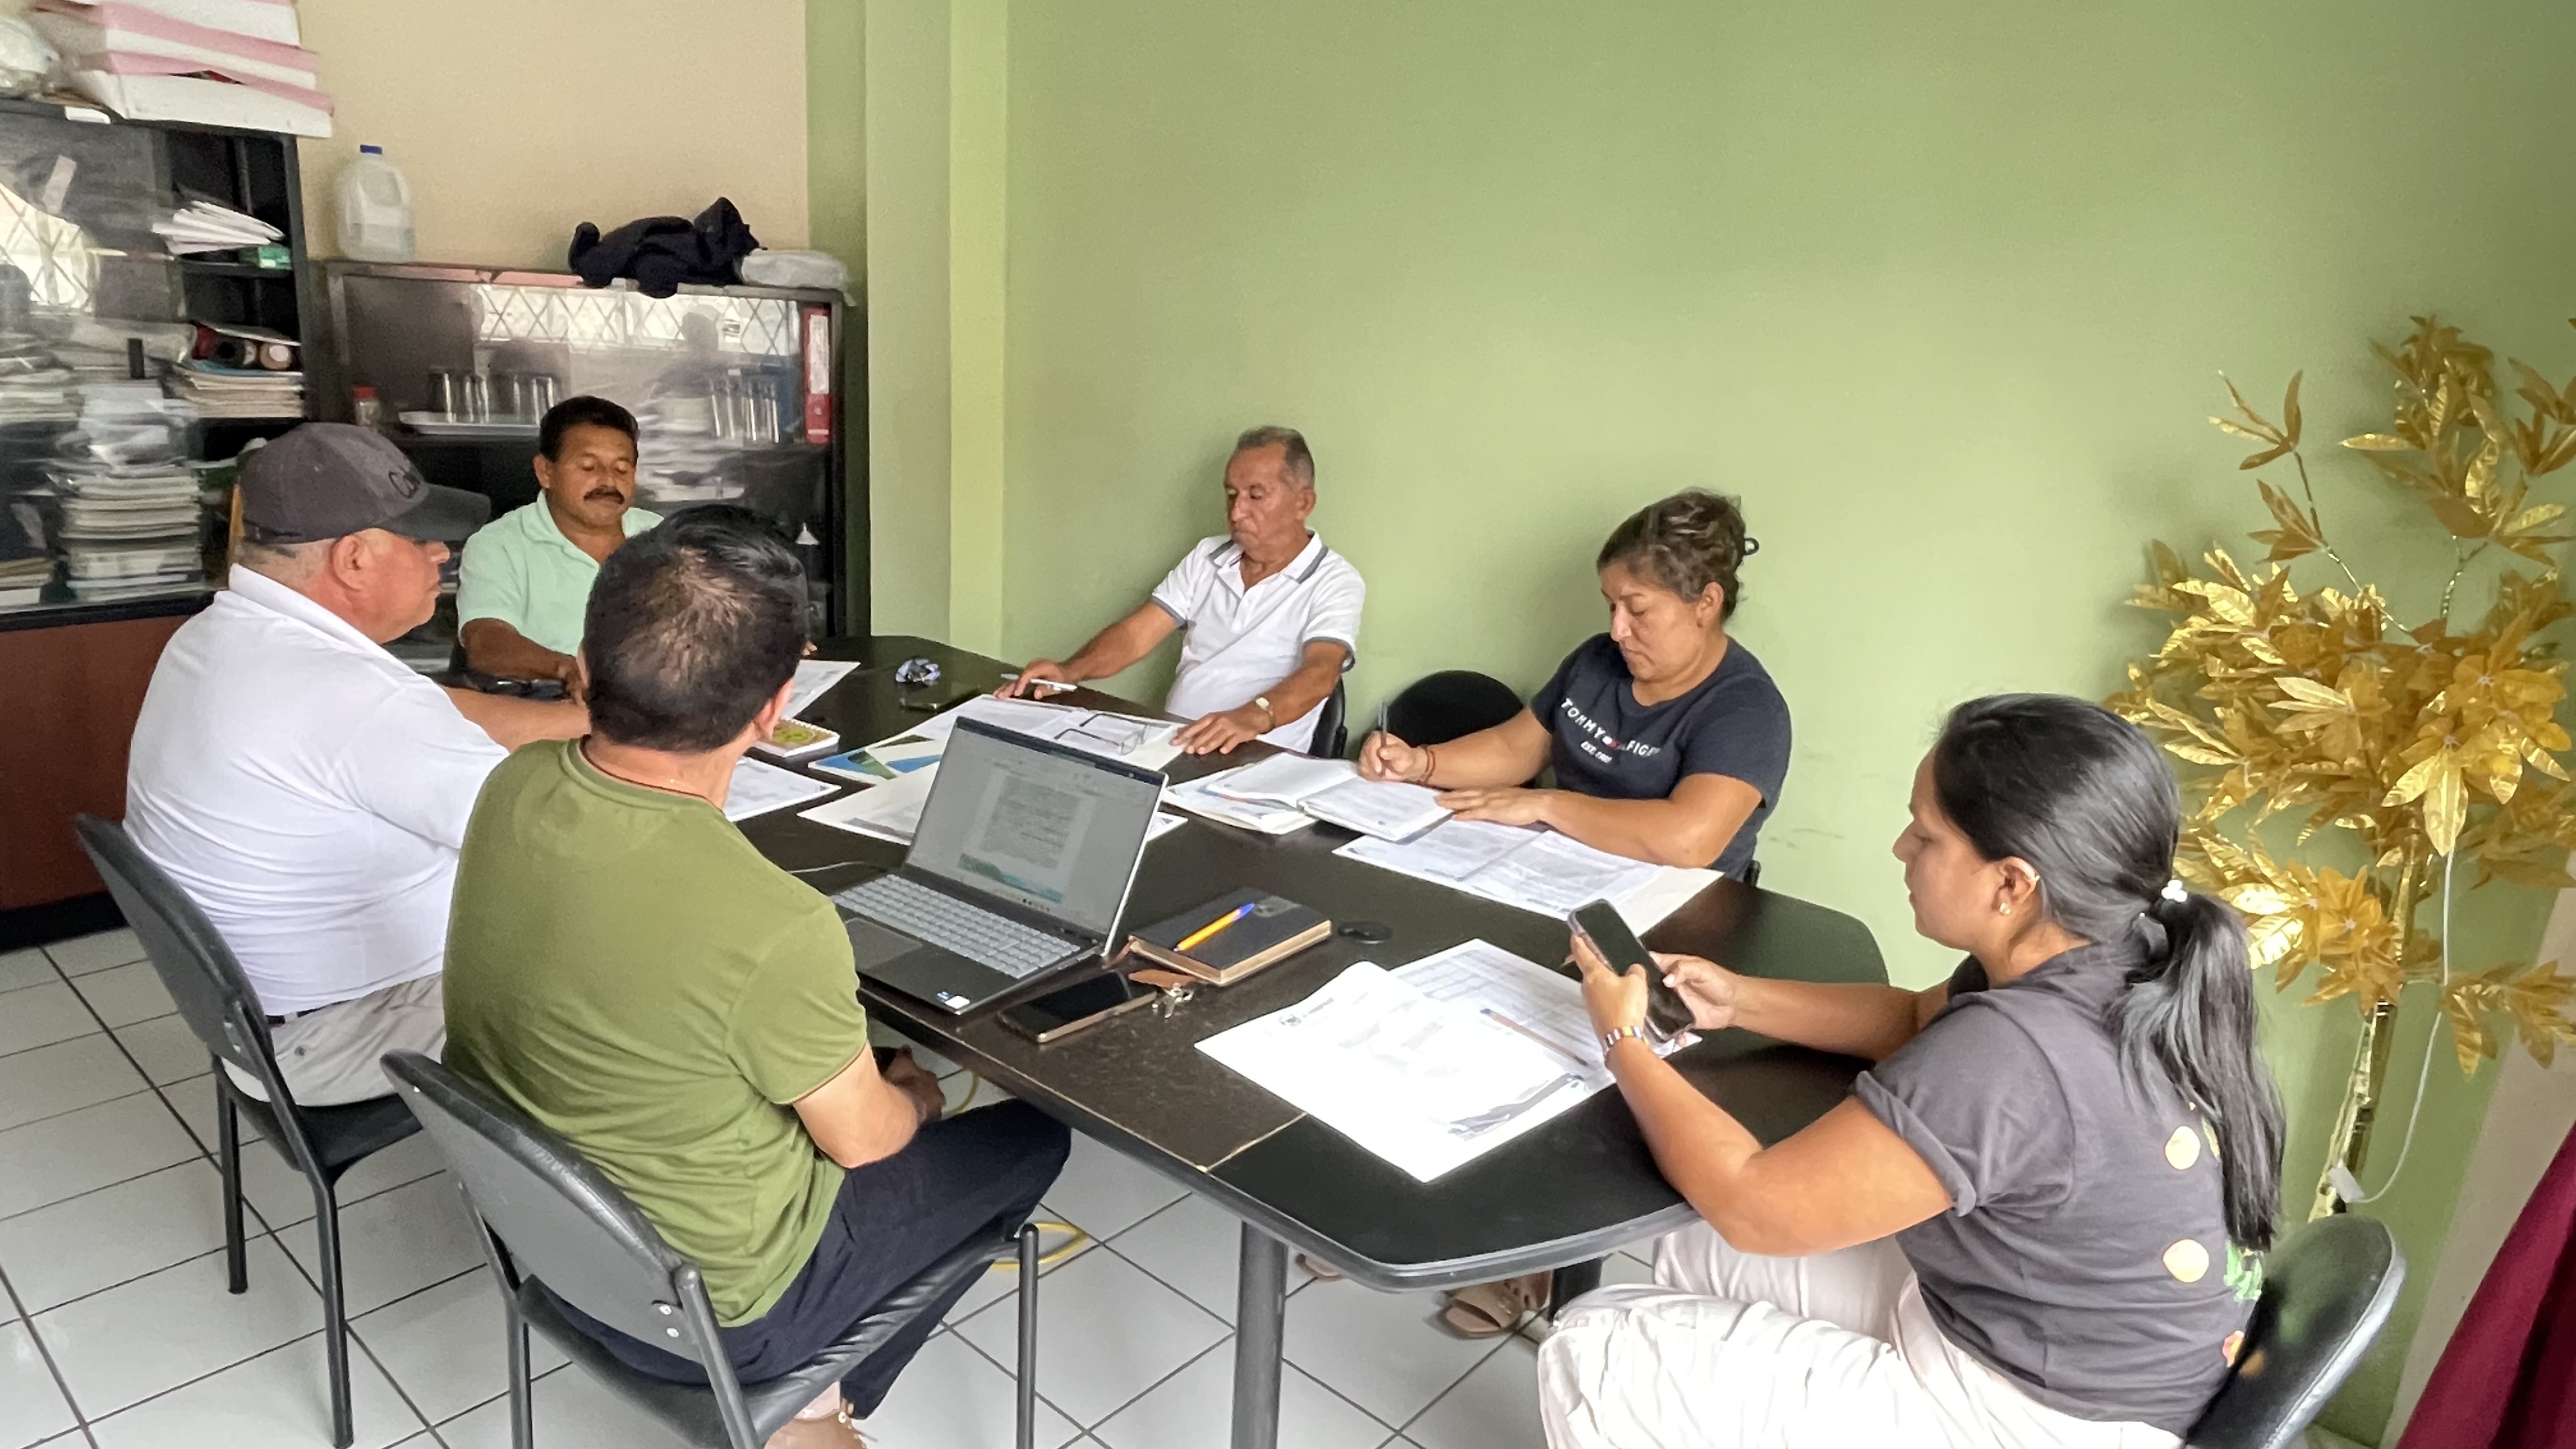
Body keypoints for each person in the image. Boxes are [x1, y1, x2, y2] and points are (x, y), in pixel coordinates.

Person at [442, 505, 1070, 1449]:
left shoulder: (515, 782)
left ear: (584, 664)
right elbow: (865, 1142)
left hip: (552, 1243)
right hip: (721, 1314)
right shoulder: (774, 923)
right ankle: (817, 1404)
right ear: (776, 709)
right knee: (1033, 1137)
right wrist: (919, 1099)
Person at [1540, 694, 2287, 1448]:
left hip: (2045, 1416)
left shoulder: (2016, 1054)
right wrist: (1738, 1000)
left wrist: (1624, 1040)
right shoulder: (2122, 950)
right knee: (1690, 1242)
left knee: (1595, 1346)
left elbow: (1753, 1204)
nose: (1901, 847)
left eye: (1926, 835)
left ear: (2012, 884)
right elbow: (1910, 1022)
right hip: (2052, 1334)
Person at [126, 424, 584, 1106]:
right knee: (632, 963)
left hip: (257, 1015)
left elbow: (431, 709)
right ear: (354, 559)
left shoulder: (219, 636)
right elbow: (555, 838)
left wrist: (590, 720)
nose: (441, 556)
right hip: (343, 1030)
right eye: (422, 540)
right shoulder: (354, 701)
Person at [1363, 488, 1788, 875]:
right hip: (1557, 874)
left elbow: (1688, 841)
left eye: (1638, 610)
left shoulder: (1747, 709)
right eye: (1612, 607)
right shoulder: (1596, 661)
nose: (1618, 630)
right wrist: (1420, 763)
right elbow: (1515, 748)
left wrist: (1547, 805)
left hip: (1670, 910)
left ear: (1706, 604)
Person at [1004, 425, 1363, 755]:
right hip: (1175, 743)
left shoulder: (1334, 580)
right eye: (1232, 495)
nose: (1236, 513)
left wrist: (1251, 717)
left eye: (1256, 496)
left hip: (1255, 759)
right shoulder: (1208, 556)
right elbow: (1136, 635)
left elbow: (1322, 672)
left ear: (1303, 503)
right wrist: (1070, 671)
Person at [455, 394, 659, 693]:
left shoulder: (661, 535)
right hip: (550, 702)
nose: (608, 481)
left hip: (658, 704)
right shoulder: (499, 544)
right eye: (588, 467)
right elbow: (486, 642)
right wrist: (566, 669)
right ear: (546, 472)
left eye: (622, 469)